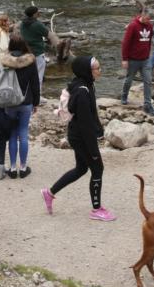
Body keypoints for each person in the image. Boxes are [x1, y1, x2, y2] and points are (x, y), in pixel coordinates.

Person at [43, 56, 114, 221]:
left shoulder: (87, 84)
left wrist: (99, 131)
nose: (100, 70)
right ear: (87, 71)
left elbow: (90, 116)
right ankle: (96, 210)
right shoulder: (82, 91)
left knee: (81, 169)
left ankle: (49, 193)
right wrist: (93, 150)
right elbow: (85, 125)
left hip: (78, 134)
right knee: (97, 168)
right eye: (97, 68)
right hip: (80, 136)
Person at [0, 33, 40, 179]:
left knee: (12, 134)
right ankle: (23, 167)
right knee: (23, 133)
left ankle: (12, 168)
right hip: (26, 102)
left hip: (8, 102)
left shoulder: (4, 61)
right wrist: (36, 102)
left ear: (10, 46)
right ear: (23, 45)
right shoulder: (30, 61)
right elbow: (35, 84)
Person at [120, 9, 154, 116]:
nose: (148, 21)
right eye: (147, 18)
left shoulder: (150, 26)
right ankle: (124, 96)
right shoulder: (133, 26)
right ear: (142, 15)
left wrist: (148, 54)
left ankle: (147, 105)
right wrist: (124, 59)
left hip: (145, 60)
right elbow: (125, 43)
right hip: (133, 60)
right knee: (129, 80)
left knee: (148, 81)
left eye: (149, 19)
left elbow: (149, 41)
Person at [20, 5, 51, 87]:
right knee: (38, 76)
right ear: (34, 14)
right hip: (38, 53)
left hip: (25, 52)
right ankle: (38, 96)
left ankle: (27, 94)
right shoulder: (37, 24)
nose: (39, 14)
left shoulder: (22, 23)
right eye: (37, 12)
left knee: (27, 75)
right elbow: (48, 34)